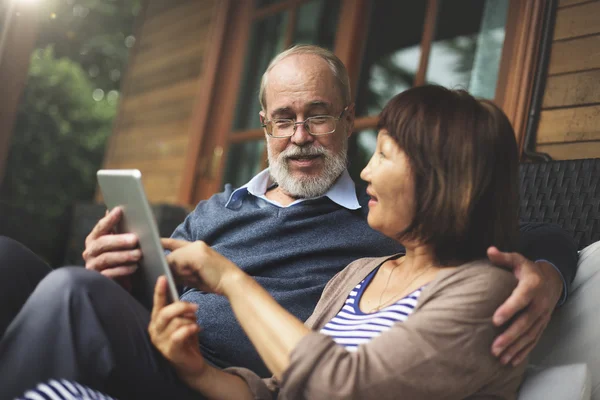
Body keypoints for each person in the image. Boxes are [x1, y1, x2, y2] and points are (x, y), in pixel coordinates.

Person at [0, 45, 577, 398]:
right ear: (265, 126)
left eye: (317, 115)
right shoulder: (221, 210)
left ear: (349, 120)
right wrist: (119, 273)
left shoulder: (386, 219)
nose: (300, 136)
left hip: (227, 380)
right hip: (175, 357)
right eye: (284, 119)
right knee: (16, 262)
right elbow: (161, 290)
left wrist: (546, 275)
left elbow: (534, 232)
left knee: (69, 293)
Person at [149, 84, 530, 399]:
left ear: (438, 178)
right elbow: (280, 391)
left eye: (383, 154)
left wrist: (231, 281)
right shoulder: (360, 273)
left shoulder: (486, 291)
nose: (364, 171)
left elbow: (342, 387)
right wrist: (197, 372)